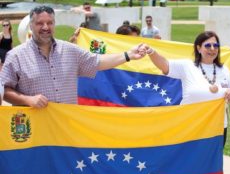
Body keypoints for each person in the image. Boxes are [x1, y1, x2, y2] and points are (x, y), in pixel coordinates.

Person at [142, 31, 230, 174]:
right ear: (198, 48)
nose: (212, 49)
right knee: (190, 168)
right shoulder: (187, 66)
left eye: (215, 45)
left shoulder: (224, 70)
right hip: (190, 129)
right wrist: (152, 52)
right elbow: (165, 65)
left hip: (217, 129)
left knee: (209, 169)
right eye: (208, 45)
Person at [0, 6, 145, 108]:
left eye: (50, 23)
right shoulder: (16, 56)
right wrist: (27, 99)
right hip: (34, 134)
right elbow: (4, 90)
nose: (45, 27)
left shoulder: (70, 50)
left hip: (66, 131)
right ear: (31, 26)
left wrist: (128, 55)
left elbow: (98, 62)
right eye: (40, 23)